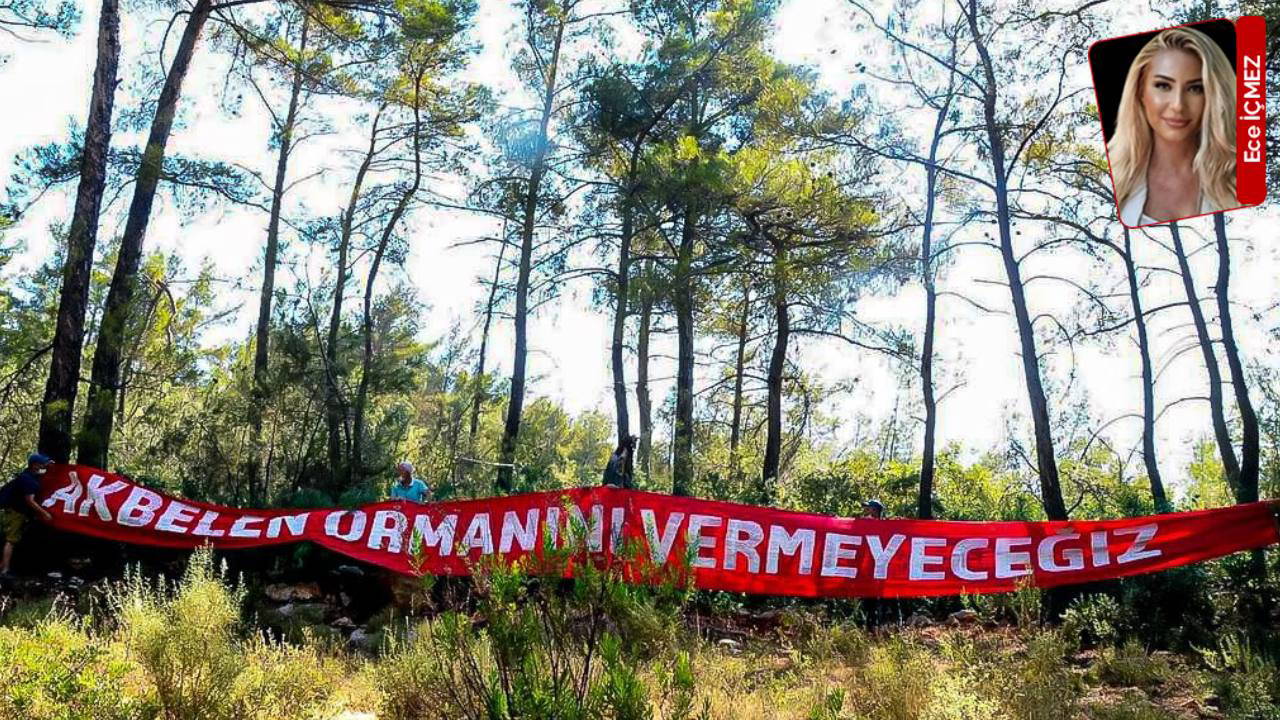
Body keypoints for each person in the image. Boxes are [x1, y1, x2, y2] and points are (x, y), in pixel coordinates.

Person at [1108, 26, 1236, 226]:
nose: (1178, 105)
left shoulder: (1241, 179)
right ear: (1140, 91)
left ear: (1214, 95)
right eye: (1163, 85)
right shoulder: (1109, 177)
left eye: (1195, 88)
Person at [0, 453, 55, 577]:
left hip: (18, 511)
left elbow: (43, 471)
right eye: (41, 463)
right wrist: (44, 513)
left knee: (13, 539)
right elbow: (30, 501)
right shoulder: (28, 480)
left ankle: (3, 565)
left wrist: (49, 465)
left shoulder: (29, 474)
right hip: (16, 513)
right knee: (11, 540)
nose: (44, 465)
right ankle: (5, 570)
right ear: (35, 465)